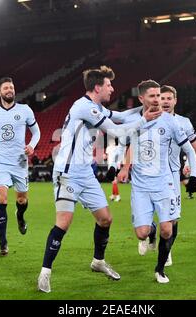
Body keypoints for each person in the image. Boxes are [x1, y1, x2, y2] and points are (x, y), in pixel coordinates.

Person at [37, 66, 162, 293]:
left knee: (105, 219)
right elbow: (119, 132)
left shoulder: (96, 107)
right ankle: (45, 272)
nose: (112, 89)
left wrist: (145, 107)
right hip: (68, 172)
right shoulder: (84, 107)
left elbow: (122, 116)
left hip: (85, 173)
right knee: (63, 223)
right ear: (97, 87)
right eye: (109, 85)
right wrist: (144, 118)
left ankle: (98, 262)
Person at [117, 80, 196, 283]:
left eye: (159, 96)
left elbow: (189, 149)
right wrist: (121, 166)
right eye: (153, 96)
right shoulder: (133, 122)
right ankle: (150, 233)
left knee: (168, 227)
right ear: (141, 98)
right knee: (141, 233)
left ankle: (160, 269)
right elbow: (123, 144)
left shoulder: (171, 122)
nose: (157, 100)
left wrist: (195, 175)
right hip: (141, 185)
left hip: (165, 182)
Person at [135, 84, 196, 267]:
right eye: (163, 98)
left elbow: (194, 150)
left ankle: (166, 251)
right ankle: (150, 232)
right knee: (146, 221)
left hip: (171, 178)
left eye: (170, 98)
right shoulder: (145, 120)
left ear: (175, 101)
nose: (166, 101)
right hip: (147, 177)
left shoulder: (183, 123)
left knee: (173, 219)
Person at [0, 77, 41, 256]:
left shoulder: (25, 110)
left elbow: (36, 132)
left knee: (22, 200)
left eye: (11, 87)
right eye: (6, 88)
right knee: (1, 198)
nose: (9, 90)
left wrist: (31, 146)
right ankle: (3, 242)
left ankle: (20, 216)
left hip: (20, 162)